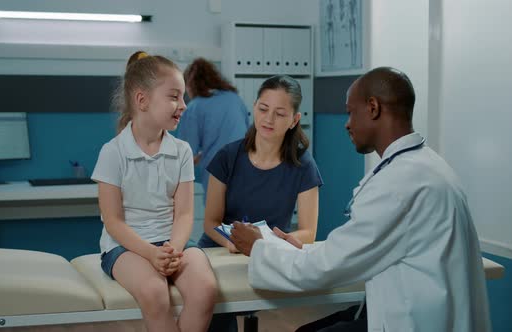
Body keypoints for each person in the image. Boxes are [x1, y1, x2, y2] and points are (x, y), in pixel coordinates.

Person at [230, 67, 491, 331]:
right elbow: (354, 248)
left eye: (350, 112)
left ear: (373, 108)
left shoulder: (397, 184)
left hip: (415, 319)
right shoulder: (427, 166)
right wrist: (286, 249)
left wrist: (259, 249)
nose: (347, 123)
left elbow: (326, 268)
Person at [91, 51, 217, 332]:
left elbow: (184, 214)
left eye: (184, 96)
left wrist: (173, 248)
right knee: (155, 293)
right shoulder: (113, 153)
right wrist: (150, 253)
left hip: (172, 242)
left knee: (205, 289)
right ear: (142, 100)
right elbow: (113, 222)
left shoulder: (182, 151)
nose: (183, 105)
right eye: (174, 96)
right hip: (125, 247)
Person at [200, 75, 323, 331]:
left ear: (294, 120)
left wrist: (262, 244)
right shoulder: (228, 156)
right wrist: (233, 243)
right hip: (221, 250)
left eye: (280, 113)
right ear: (254, 107)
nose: (268, 119)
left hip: (266, 254)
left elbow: (308, 232)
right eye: (263, 109)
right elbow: (211, 222)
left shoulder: (303, 165)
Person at [177, 57, 249, 199]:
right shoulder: (235, 99)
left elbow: (184, 155)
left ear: (191, 85)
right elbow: (242, 136)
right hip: (244, 173)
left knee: (216, 217)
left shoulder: (195, 107)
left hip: (217, 177)